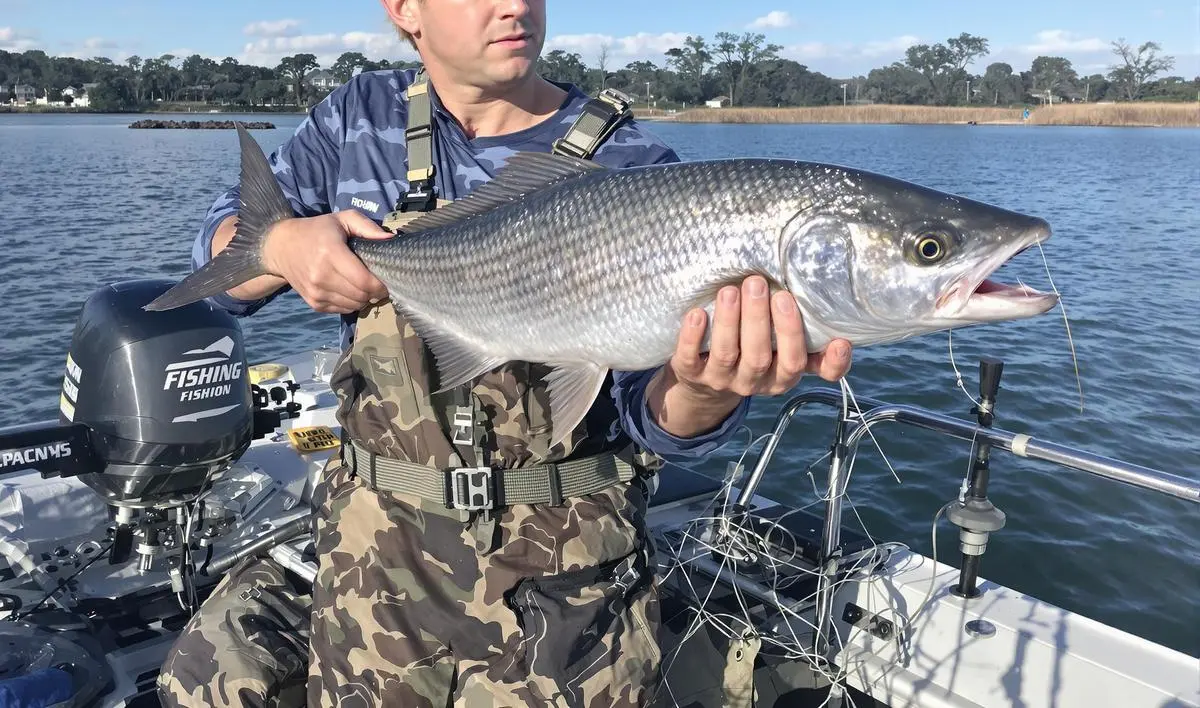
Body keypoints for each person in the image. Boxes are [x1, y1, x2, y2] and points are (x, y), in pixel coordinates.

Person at [157, 1, 854, 706]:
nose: (515, 5)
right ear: (406, 10)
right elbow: (221, 266)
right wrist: (282, 245)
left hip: (565, 582)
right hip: (374, 563)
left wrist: (707, 389)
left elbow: (652, 420)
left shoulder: (634, 166)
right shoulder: (356, 118)